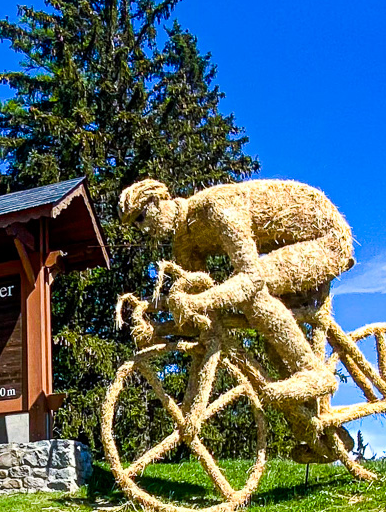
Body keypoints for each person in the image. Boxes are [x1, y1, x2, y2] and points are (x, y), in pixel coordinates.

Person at [118, 177, 355, 461]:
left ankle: (316, 374)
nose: (145, 228)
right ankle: (323, 437)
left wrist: (198, 301)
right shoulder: (184, 242)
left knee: (255, 293)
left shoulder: (213, 206)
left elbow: (250, 279)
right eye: (137, 225)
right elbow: (200, 313)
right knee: (272, 345)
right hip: (289, 248)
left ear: (159, 200)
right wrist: (158, 326)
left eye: (143, 216)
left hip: (325, 239)